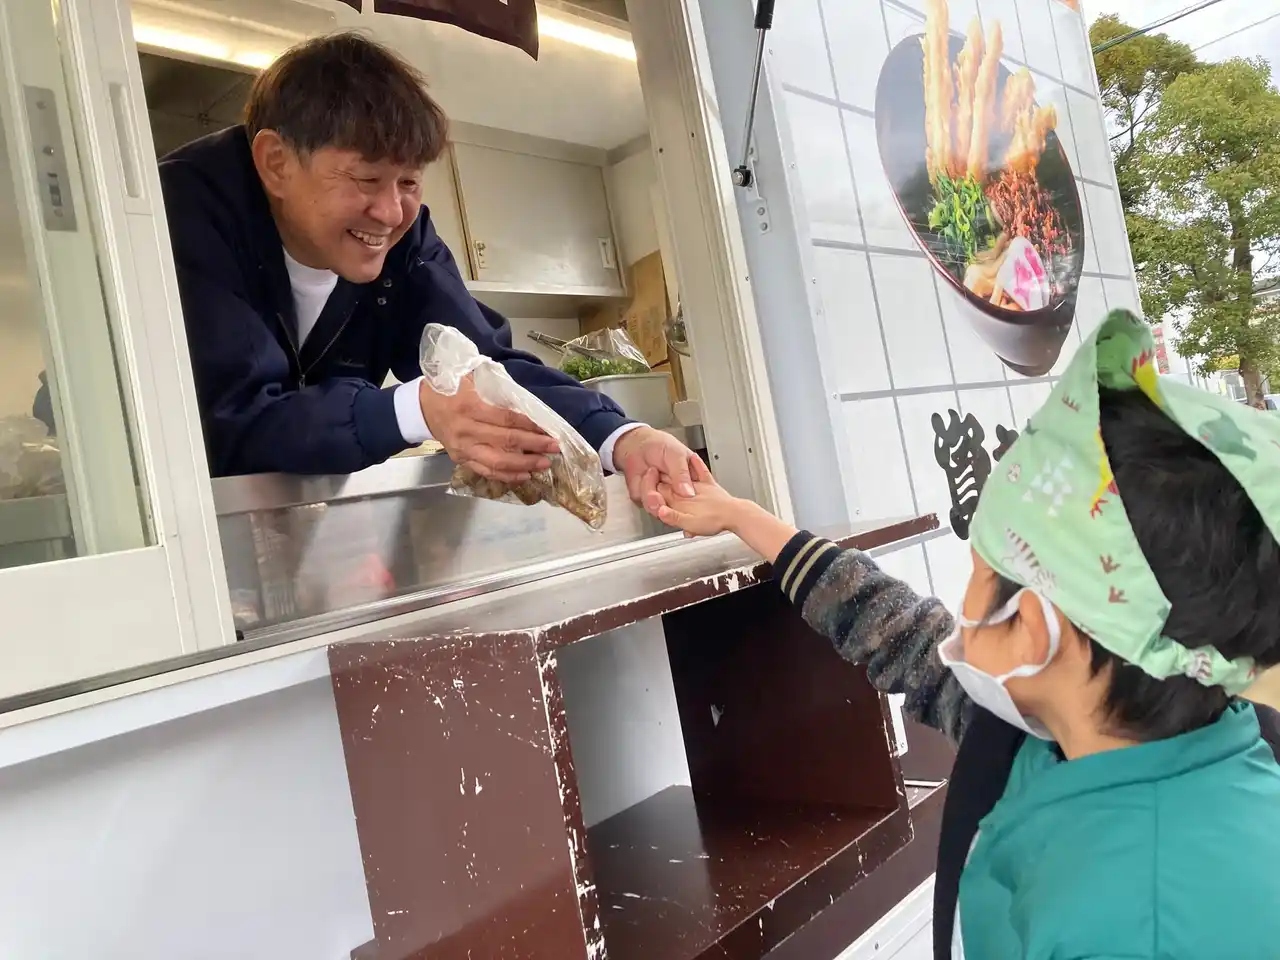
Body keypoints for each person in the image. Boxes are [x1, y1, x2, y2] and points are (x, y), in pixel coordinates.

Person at [647, 311, 1280, 958]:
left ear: (1033, 630)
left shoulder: (1136, 927)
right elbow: (896, 631)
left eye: (981, 569)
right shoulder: (1058, 730)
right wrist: (742, 517)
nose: (963, 600)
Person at [157, 32, 698, 509]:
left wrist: (621, 438)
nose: (391, 213)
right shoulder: (182, 213)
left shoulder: (405, 238)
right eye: (367, 180)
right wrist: (415, 408)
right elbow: (233, 420)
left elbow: (486, 367)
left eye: (409, 182)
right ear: (276, 163)